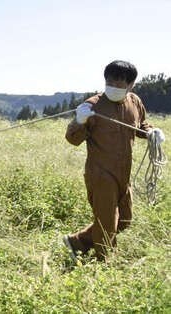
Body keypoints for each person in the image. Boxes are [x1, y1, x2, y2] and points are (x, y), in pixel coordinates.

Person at [63, 60, 165, 262]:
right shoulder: (92, 106)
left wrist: (151, 132)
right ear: (105, 81)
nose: (114, 87)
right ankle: (105, 263)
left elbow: (141, 124)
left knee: (125, 220)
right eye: (110, 82)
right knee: (106, 224)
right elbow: (72, 139)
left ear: (131, 85)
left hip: (124, 173)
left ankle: (77, 242)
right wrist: (80, 120)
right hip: (100, 173)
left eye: (120, 85)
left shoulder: (134, 102)